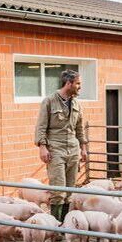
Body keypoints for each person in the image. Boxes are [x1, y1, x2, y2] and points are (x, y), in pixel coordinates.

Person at [34, 69, 89, 221]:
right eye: (77, 83)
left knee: (70, 189)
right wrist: (42, 147)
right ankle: (54, 226)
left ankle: (64, 224)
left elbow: (79, 128)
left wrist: (83, 149)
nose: (79, 87)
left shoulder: (77, 103)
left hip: (72, 148)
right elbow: (41, 126)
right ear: (68, 83)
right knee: (58, 190)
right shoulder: (50, 101)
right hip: (55, 148)